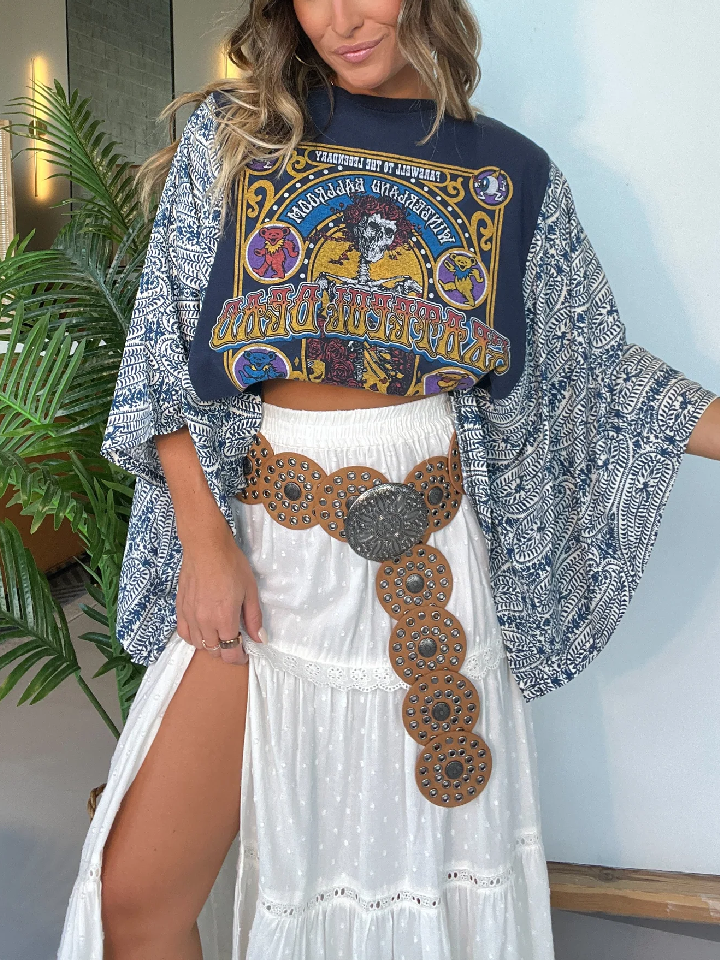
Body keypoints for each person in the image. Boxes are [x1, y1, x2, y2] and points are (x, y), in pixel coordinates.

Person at [58, 1, 720, 958]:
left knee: (413, 906)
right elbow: (164, 347)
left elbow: (601, 375)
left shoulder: (511, 175)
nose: (339, 18)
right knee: (136, 898)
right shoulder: (239, 139)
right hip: (263, 548)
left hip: (432, 569)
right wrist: (203, 539)